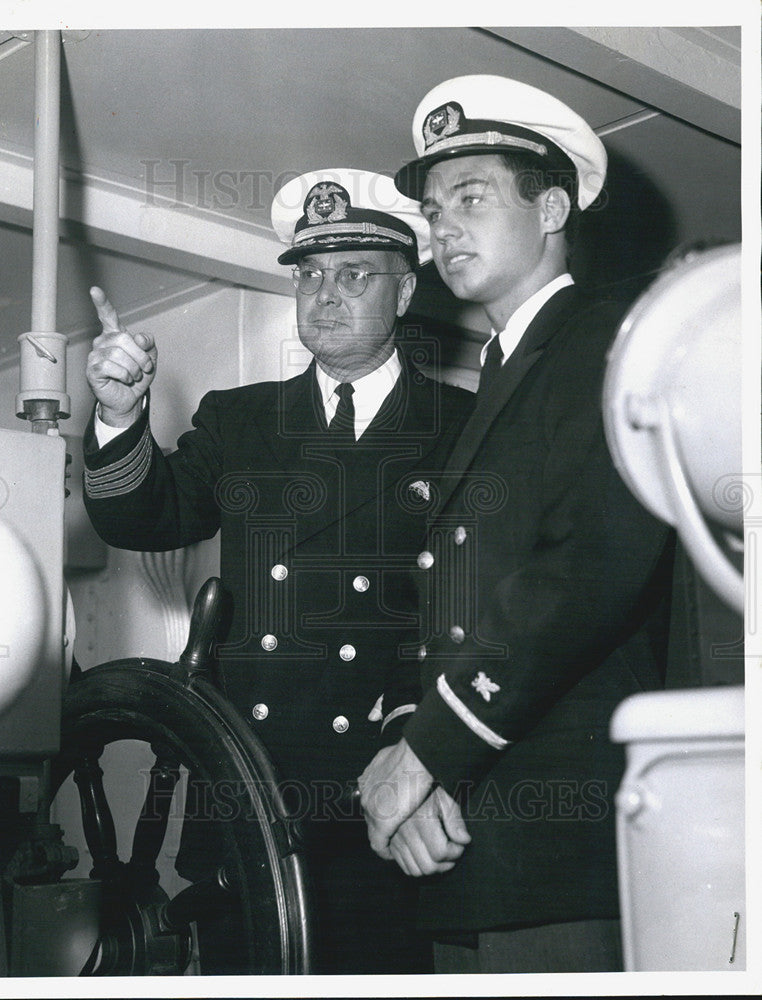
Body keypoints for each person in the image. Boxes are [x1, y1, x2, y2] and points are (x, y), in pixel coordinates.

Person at [82, 167, 473, 974]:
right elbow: (141, 515)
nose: (324, 295)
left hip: (385, 794)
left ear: (404, 294)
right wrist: (120, 415)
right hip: (247, 798)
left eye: (353, 275)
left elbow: (474, 620)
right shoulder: (242, 418)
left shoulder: (463, 426)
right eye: (309, 275)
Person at [358, 76, 675, 973]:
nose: (441, 227)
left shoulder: (610, 339)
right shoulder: (496, 382)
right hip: (470, 851)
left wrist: (428, 757)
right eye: (431, 209)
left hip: (562, 855)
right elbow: (437, 616)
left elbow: (590, 568)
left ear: (554, 207)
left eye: (470, 197)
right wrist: (413, 766)